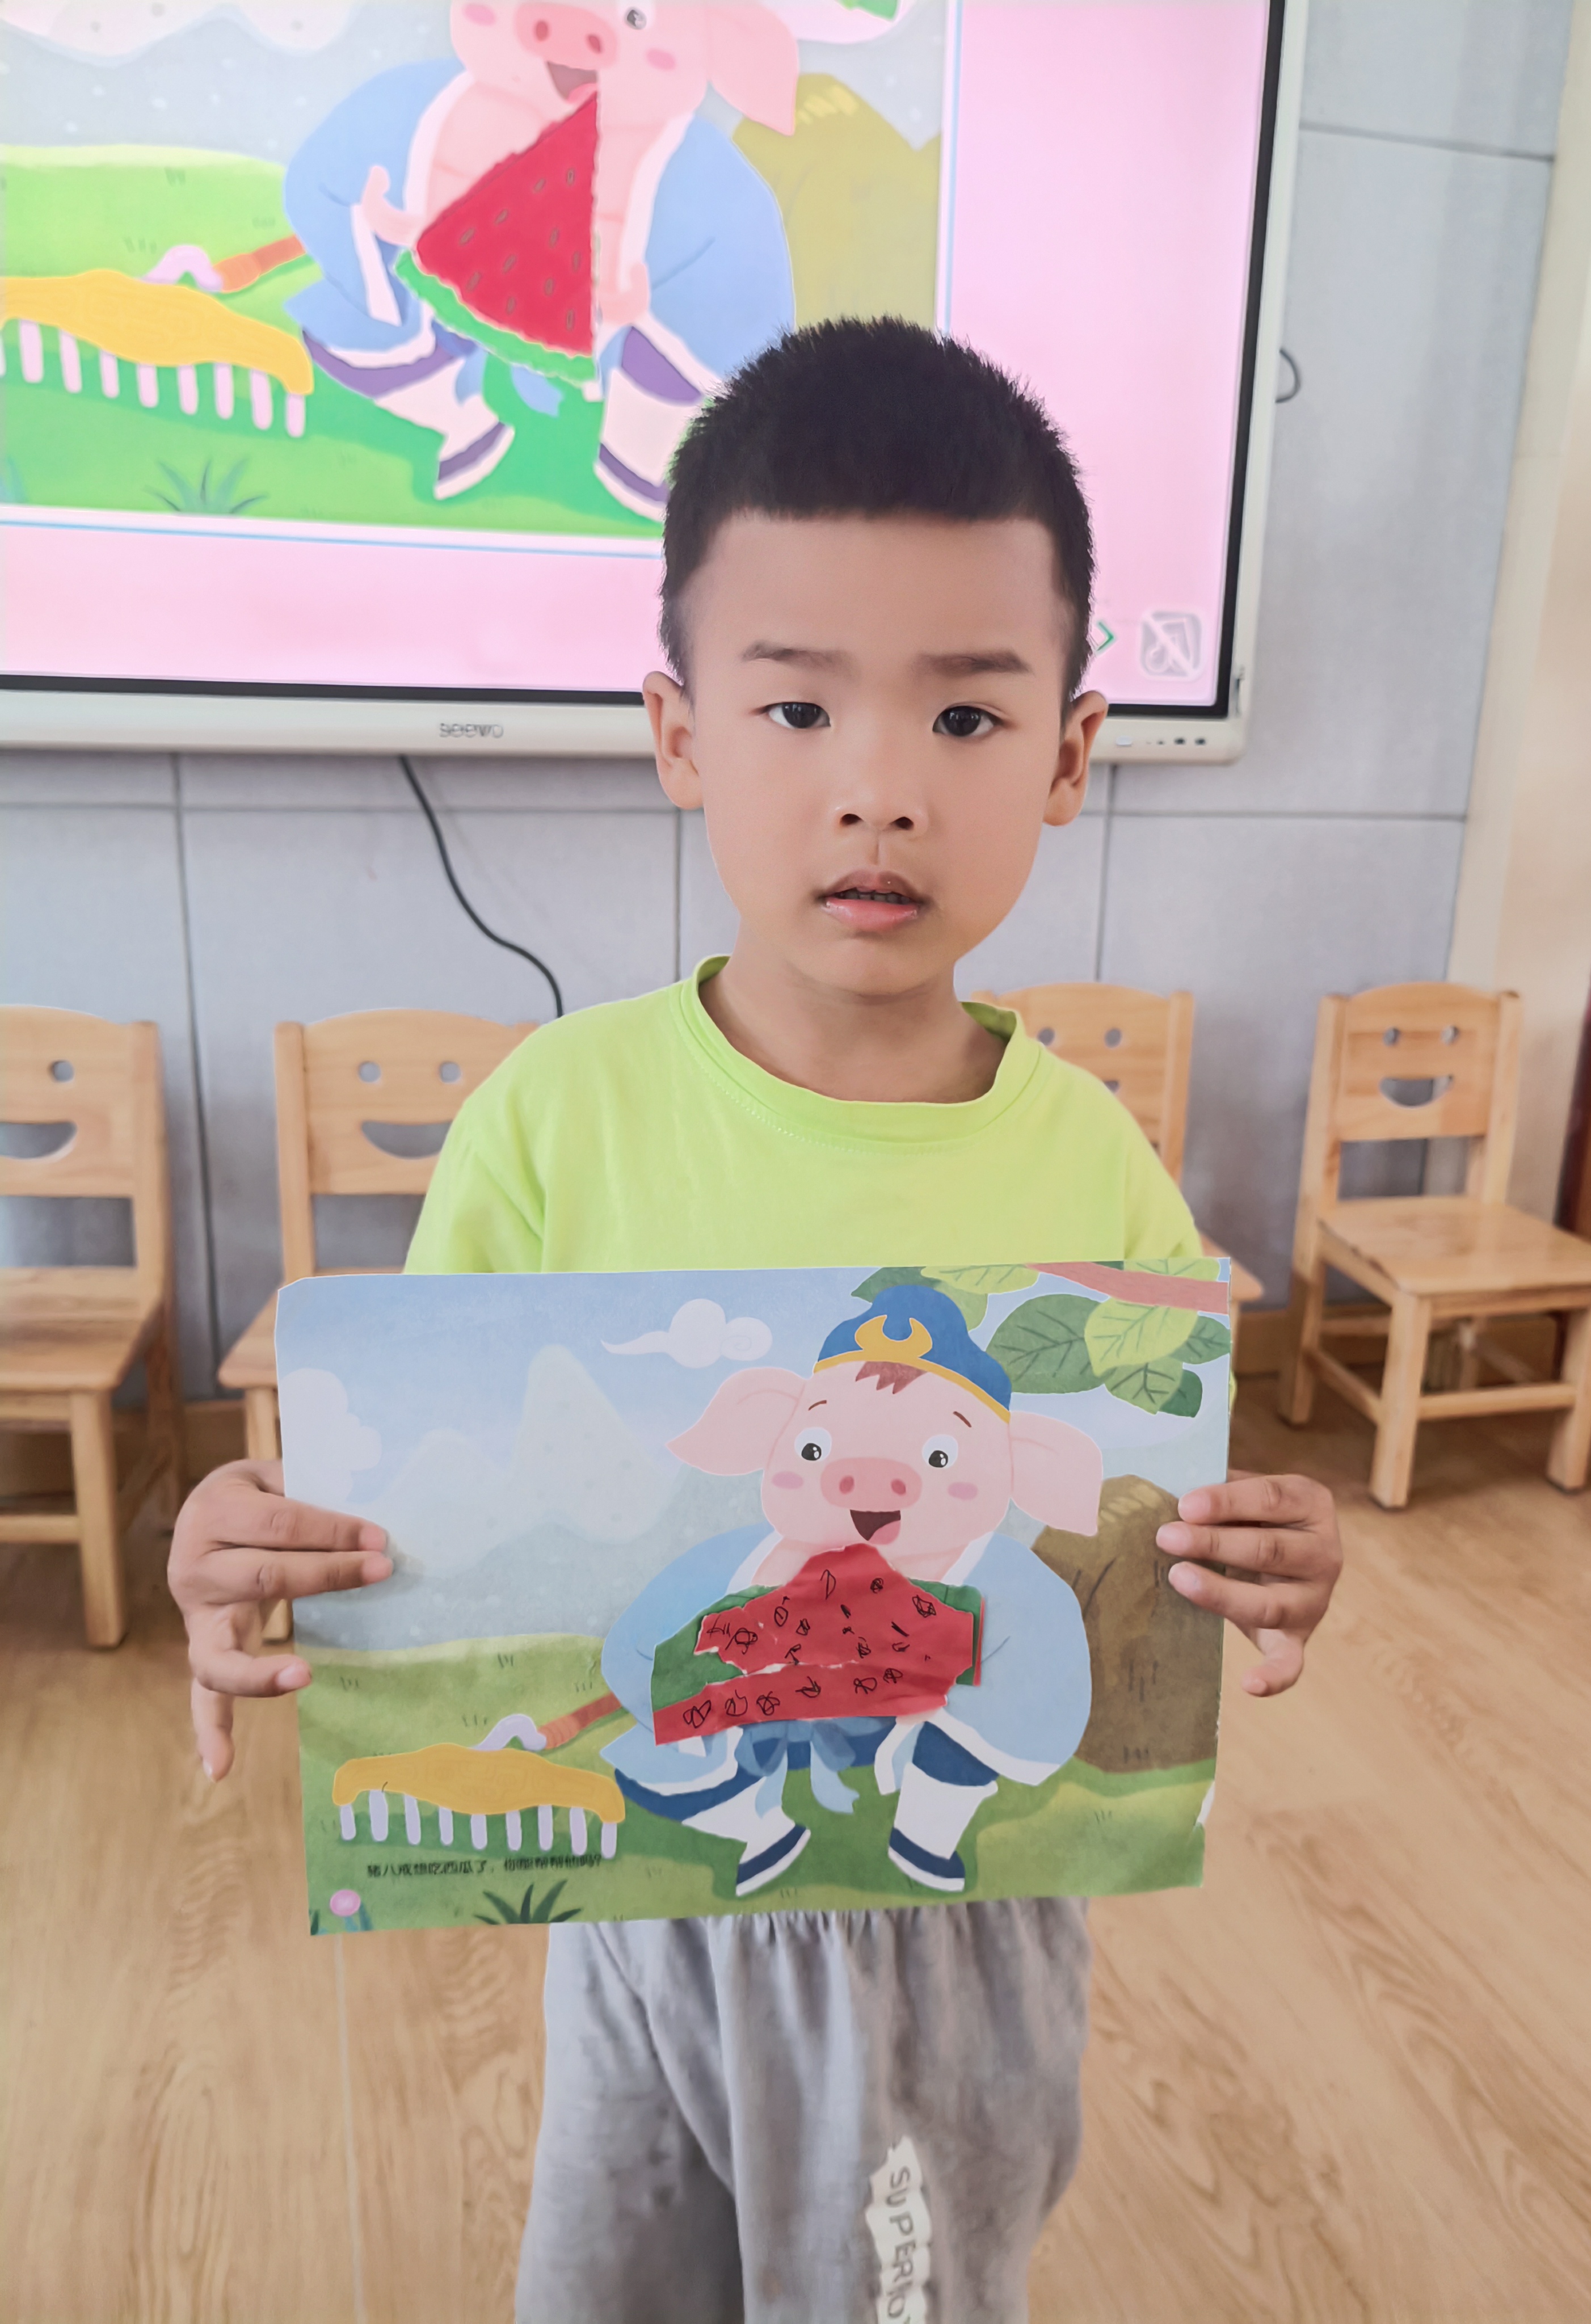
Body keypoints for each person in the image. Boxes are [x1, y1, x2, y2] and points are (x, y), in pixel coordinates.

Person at [169, 317, 1344, 2324]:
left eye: (965, 717)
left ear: (1070, 756)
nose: (878, 792)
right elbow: (403, 1508)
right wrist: (246, 1551)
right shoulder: (552, 1118)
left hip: (965, 1934)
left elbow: (1172, 1510)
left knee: (905, 2293)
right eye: (796, 709)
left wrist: (1272, 1551)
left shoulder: (1092, 1161)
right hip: (642, 1911)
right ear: (681, 734)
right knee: (609, 2283)